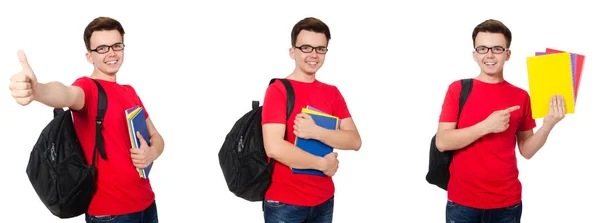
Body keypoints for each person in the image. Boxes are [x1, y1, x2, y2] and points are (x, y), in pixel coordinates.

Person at [8, 17, 163, 223]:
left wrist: (152, 152)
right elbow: (65, 93)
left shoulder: (130, 92)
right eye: (102, 48)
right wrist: (37, 90)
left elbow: (157, 137)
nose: (111, 53)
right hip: (110, 215)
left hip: (147, 204)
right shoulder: (87, 88)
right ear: (89, 56)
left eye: (117, 46)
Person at [435, 19, 567, 223]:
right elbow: (442, 142)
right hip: (462, 202)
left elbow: (527, 151)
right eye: (482, 48)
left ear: (507, 54)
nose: (489, 54)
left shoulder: (521, 96)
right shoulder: (458, 89)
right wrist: (486, 126)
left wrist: (548, 126)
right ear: (474, 54)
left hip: (507, 203)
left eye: (497, 48)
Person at [260, 17, 362, 223]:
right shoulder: (278, 90)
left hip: (324, 199)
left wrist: (316, 132)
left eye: (320, 49)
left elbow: (354, 141)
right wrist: (323, 165)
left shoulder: (332, 93)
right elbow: (274, 148)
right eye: (306, 47)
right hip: (285, 203)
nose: (313, 55)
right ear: (292, 52)